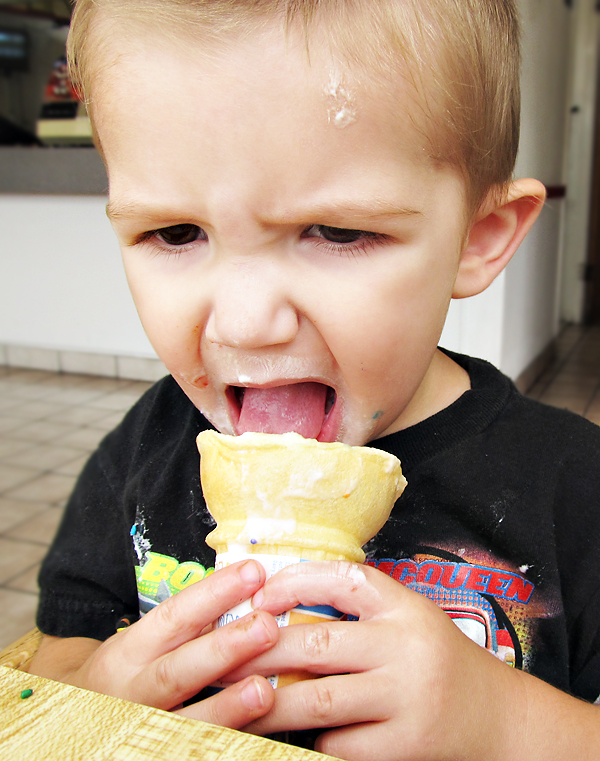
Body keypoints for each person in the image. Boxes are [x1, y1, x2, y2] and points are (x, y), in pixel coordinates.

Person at [28, 0, 600, 758]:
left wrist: (507, 723)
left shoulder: (574, 487)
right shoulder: (148, 449)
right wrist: (96, 697)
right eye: (175, 232)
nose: (243, 324)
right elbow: (57, 651)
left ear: (477, 238)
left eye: (336, 231)